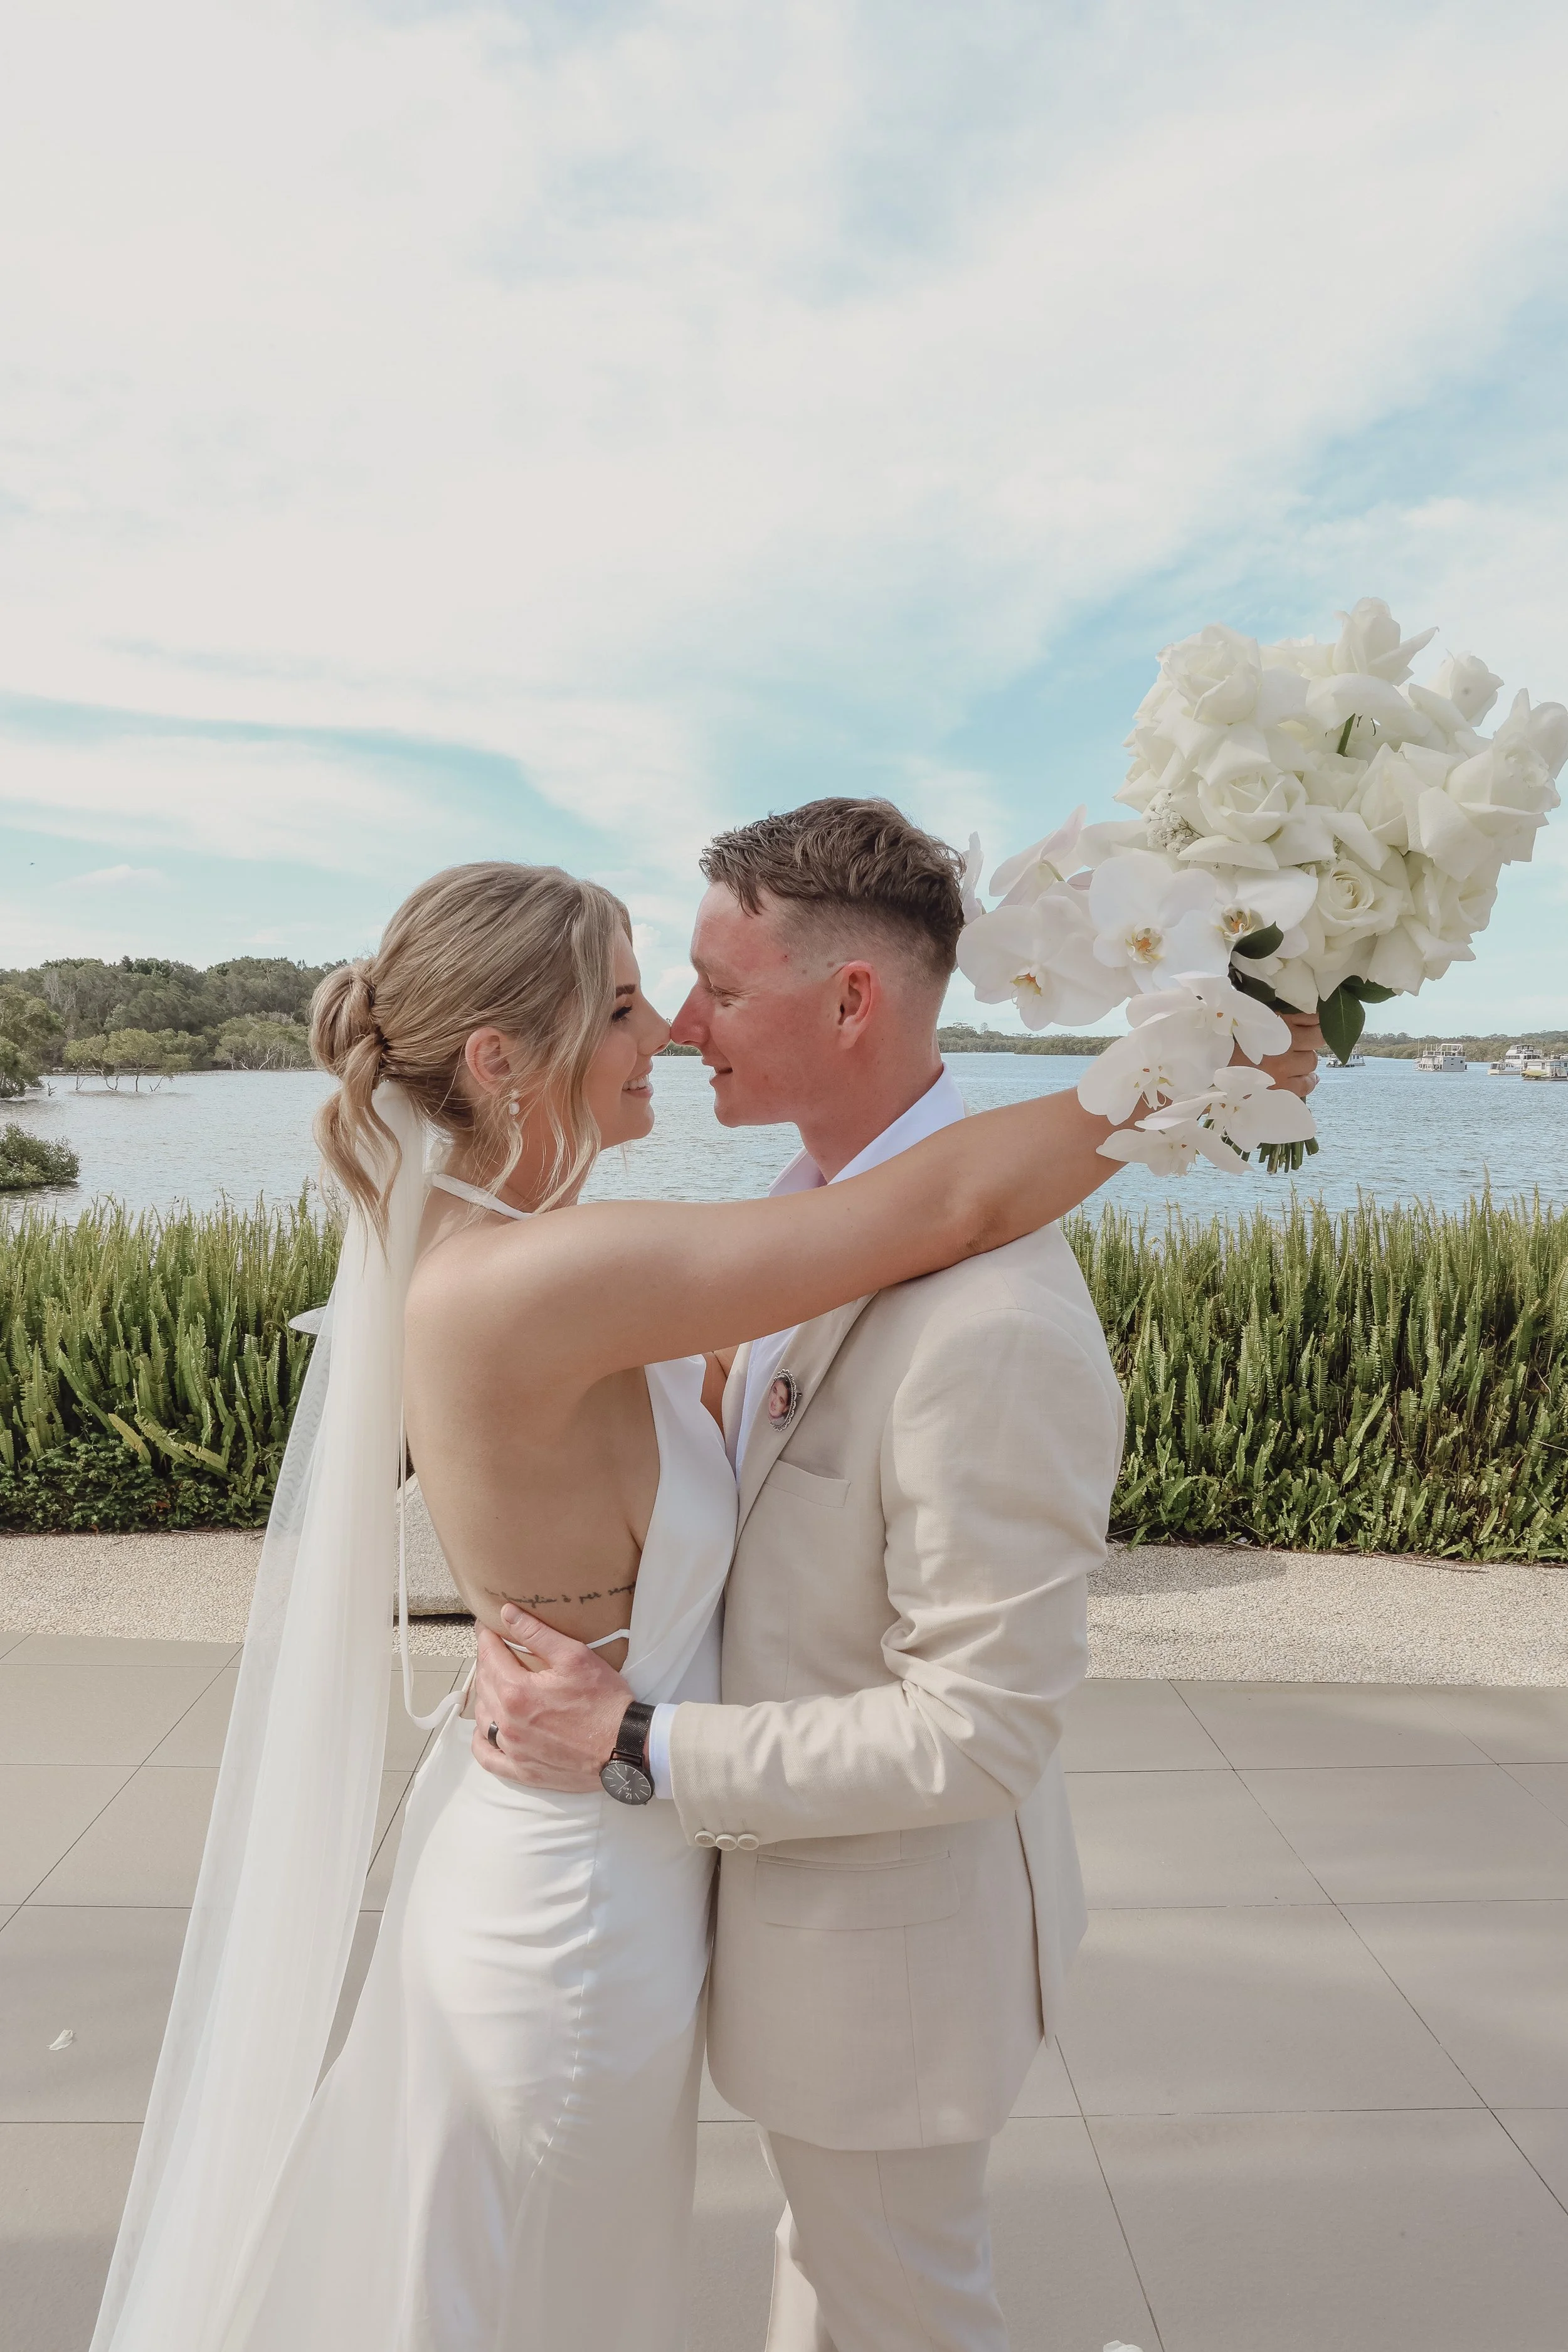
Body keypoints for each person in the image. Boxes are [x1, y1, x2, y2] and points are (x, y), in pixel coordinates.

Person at [90, 844, 1318, 2352]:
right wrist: (1214, 1060)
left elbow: (752, 1403)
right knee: (536, 2289)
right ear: (502, 1057)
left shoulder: (530, 1262)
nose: (667, 1029)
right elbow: (931, 1208)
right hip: (577, 1892)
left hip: (612, 1861)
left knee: (536, 2276)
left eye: (684, 992)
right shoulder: (534, 1279)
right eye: (622, 1006)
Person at [471, 800, 1322, 2351]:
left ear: (849, 1000)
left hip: (885, 1969)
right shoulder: (802, 1219)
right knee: (834, 2293)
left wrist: (636, 1746)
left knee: (903, 2316)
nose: (678, 1024)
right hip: (781, 1925)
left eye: (719, 991)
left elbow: (980, 1732)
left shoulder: (990, 1326)